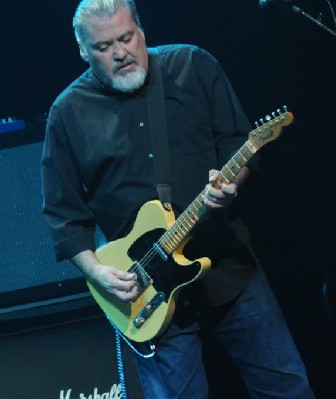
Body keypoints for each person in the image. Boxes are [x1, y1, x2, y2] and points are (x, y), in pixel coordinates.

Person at [40, 0, 316, 398]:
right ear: (83, 51)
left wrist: (229, 184)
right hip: (145, 292)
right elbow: (64, 216)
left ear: (141, 30)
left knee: (286, 388)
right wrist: (98, 273)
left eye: (126, 37)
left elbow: (237, 142)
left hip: (227, 267)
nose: (120, 52)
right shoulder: (67, 114)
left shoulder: (192, 66)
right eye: (103, 47)